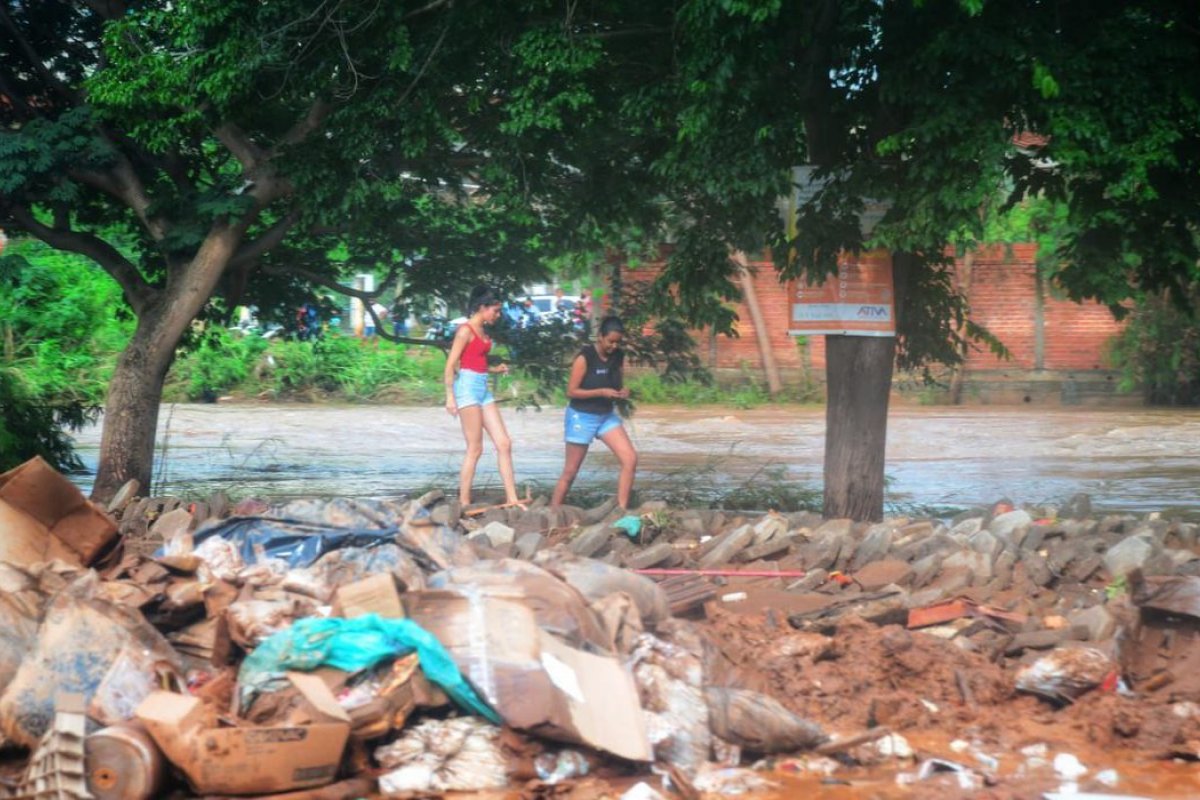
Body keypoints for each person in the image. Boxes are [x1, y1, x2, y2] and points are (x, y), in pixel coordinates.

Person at [445, 286, 522, 507]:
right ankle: (464, 503)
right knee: (475, 448)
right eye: (495, 311)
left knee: (504, 443)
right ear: (482, 308)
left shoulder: (484, 332)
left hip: (482, 388)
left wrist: (494, 369)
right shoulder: (465, 330)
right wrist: (450, 396)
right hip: (467, 389)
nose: (497, 315)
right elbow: (451, 365)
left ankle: (512, 499)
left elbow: (475, 363)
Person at [551, 315, 637, 509]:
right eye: (610, 341)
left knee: (630, 459)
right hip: (582, 416)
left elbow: (617, 383)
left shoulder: (618, 356)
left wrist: (623, 392)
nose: (613, 346)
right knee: (571, 471)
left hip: (606, 416)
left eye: (617, 342)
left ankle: (621, 509)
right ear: (600, 337)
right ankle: (552, 511)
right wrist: (600, 392)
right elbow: (571, 391)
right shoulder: (585, 357)